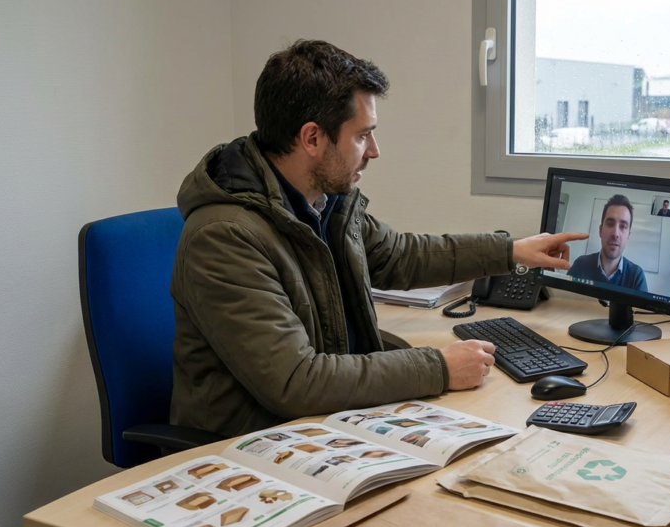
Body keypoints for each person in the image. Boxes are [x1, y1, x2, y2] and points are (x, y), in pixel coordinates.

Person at [169, 39, 586, 438]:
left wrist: (510, 251)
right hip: (254, 445)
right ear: (312, 138)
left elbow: (399, 256)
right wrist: (438, 367)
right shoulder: (224, 238)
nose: (374, 151)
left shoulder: (321, 202)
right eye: (362, 135)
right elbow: (297, 382)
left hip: (329, 421)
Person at [567, 194, 648, 291]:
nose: (615, 234)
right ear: (600, 230)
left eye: (623, 226)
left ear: (628, 236)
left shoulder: (636, 276)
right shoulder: (580, 265)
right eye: (610, 224)